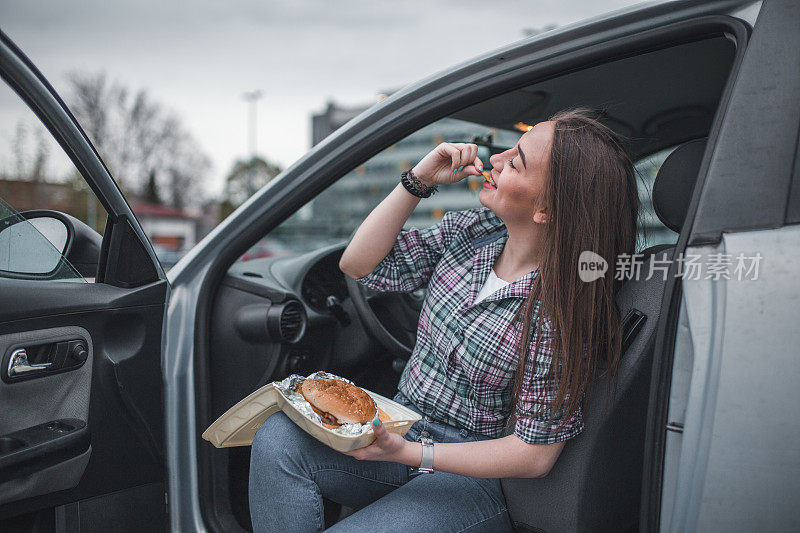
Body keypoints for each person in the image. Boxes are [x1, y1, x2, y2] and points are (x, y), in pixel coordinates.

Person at [248, 108, 640, 532]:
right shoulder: (473, 231)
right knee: (277, 438)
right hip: (400, 427)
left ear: (546, 208)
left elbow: (534, 455)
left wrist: (410, 454)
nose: (496, 159)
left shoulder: (560, 312)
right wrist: (419, 181)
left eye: (516, 161)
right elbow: (358, 264)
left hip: (468, 478)